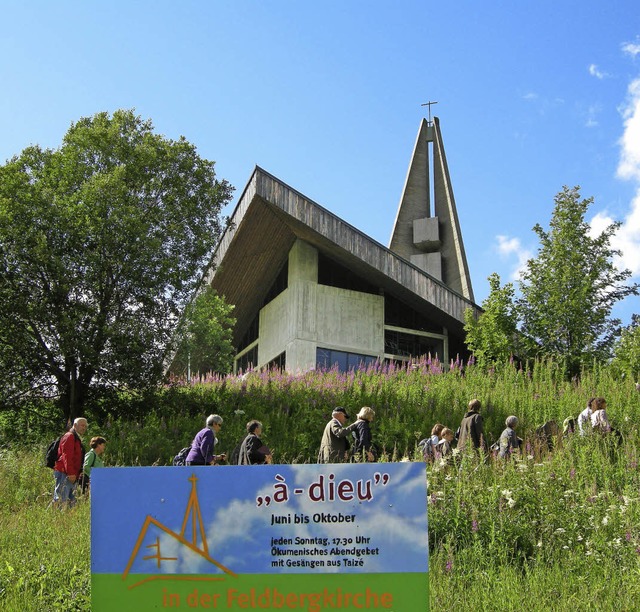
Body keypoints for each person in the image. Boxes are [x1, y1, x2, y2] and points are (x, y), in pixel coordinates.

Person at [53, 417, 88, 508]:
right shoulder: (69, 436)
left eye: (85, 426)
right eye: (82, 425)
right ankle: (57, 518)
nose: (84, 428)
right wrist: (71, 473)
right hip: (65, 472)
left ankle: (63, 518)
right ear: (75, 425)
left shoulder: (75, 437)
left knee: (71, 501)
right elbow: (67, 456)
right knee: (61, 499)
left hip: (71, 473)